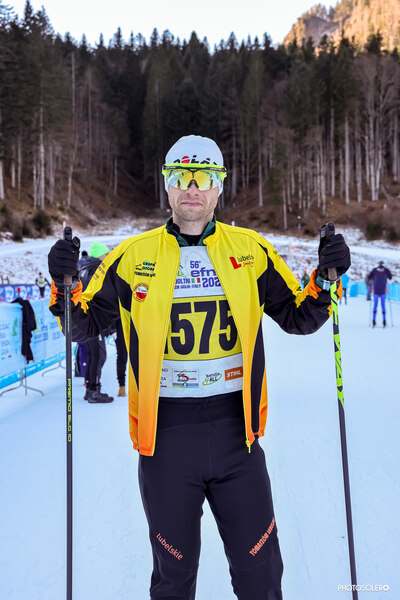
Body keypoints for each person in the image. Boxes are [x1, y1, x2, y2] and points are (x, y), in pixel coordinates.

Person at [48, 134, 351, 600]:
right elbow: (82, 324)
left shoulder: (250, 250)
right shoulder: (133, 256)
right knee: (174, 579)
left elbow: (300, 316)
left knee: (261, 575)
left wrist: (327, 279)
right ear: (167, 185)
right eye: (181, 176)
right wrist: (65, 283)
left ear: (219, 186)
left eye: (204, 177)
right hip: (166, 440)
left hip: (237, 436)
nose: (192, 187)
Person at [78, 242, 114, 403]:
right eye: (106, 254)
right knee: (98, 355)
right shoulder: (95, 270)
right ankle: (93, 390)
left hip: (86, 319)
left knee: (94, 354)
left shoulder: (85, 268)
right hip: (93, 319)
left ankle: (90, 389)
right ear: (100, 255)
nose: (108, 257)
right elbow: (98, 296)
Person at [368, 260, 392, 327]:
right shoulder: (386, 270)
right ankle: (384, 321)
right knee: (383, 306)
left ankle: (373, 320)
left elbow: (369, 277)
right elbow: (390, 277)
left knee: (375, 306)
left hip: (376, 291)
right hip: (383, 291)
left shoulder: (375, 270)